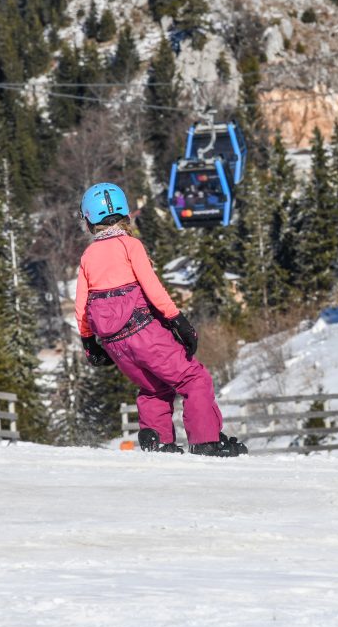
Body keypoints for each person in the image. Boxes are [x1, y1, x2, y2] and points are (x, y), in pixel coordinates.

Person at [75, 182, 246, 457]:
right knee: (194, 378)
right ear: (125, 213)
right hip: (142, 329)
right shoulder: (130, 245)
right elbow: (152, 286)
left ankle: (159, 441)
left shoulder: (88, 255)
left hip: (113, 342)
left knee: (153, 387)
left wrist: (88, 343)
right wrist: (178, 320)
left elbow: (81, 304)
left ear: (88, 220)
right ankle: (207, 441)